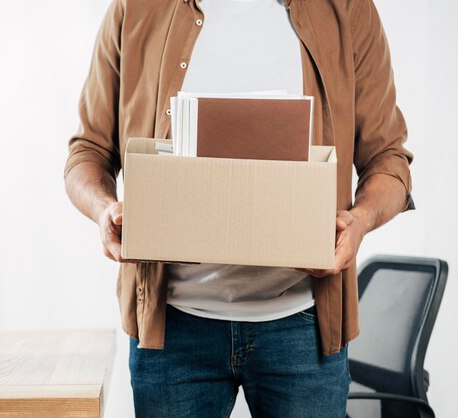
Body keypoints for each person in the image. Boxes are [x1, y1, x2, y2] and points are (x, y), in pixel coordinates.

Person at [64, 0, 414, 416]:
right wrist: (104, 209)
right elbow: (87, 152)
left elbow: (389, 159)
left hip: (303, 324)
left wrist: (361, 220)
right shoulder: (136, 8)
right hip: (173, 326)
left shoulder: (345, 9)